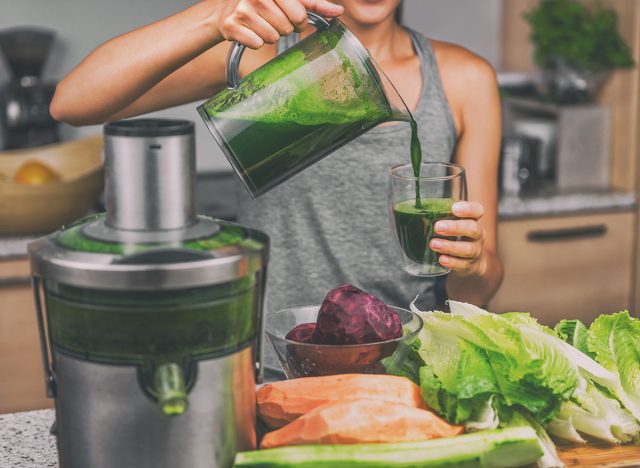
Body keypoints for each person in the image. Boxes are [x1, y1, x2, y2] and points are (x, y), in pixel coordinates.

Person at [50, 0, 503, 326]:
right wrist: (213, 14)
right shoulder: (259, 55)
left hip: (407, 364)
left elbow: (478, 291)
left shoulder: (464, 80)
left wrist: (475, 264)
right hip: (276, 365)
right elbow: (73, 103)